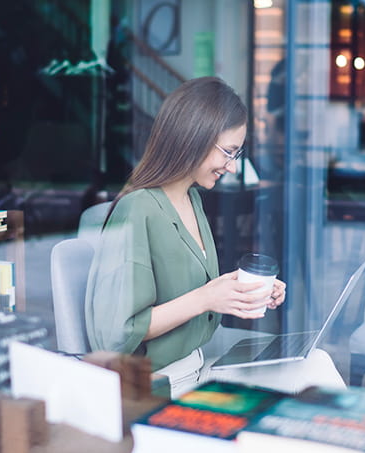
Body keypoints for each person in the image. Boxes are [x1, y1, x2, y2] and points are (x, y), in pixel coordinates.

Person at [85, 76, 344, 396]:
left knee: (314, 363)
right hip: (165, 385)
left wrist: (240, 291)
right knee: (310, 376)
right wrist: (206, 298)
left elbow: (192, 291)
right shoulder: (138, 210)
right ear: (193, 137)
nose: (233, 167)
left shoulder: (191, 199)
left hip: (201, 366)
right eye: (229, 152)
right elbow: (115, 334)